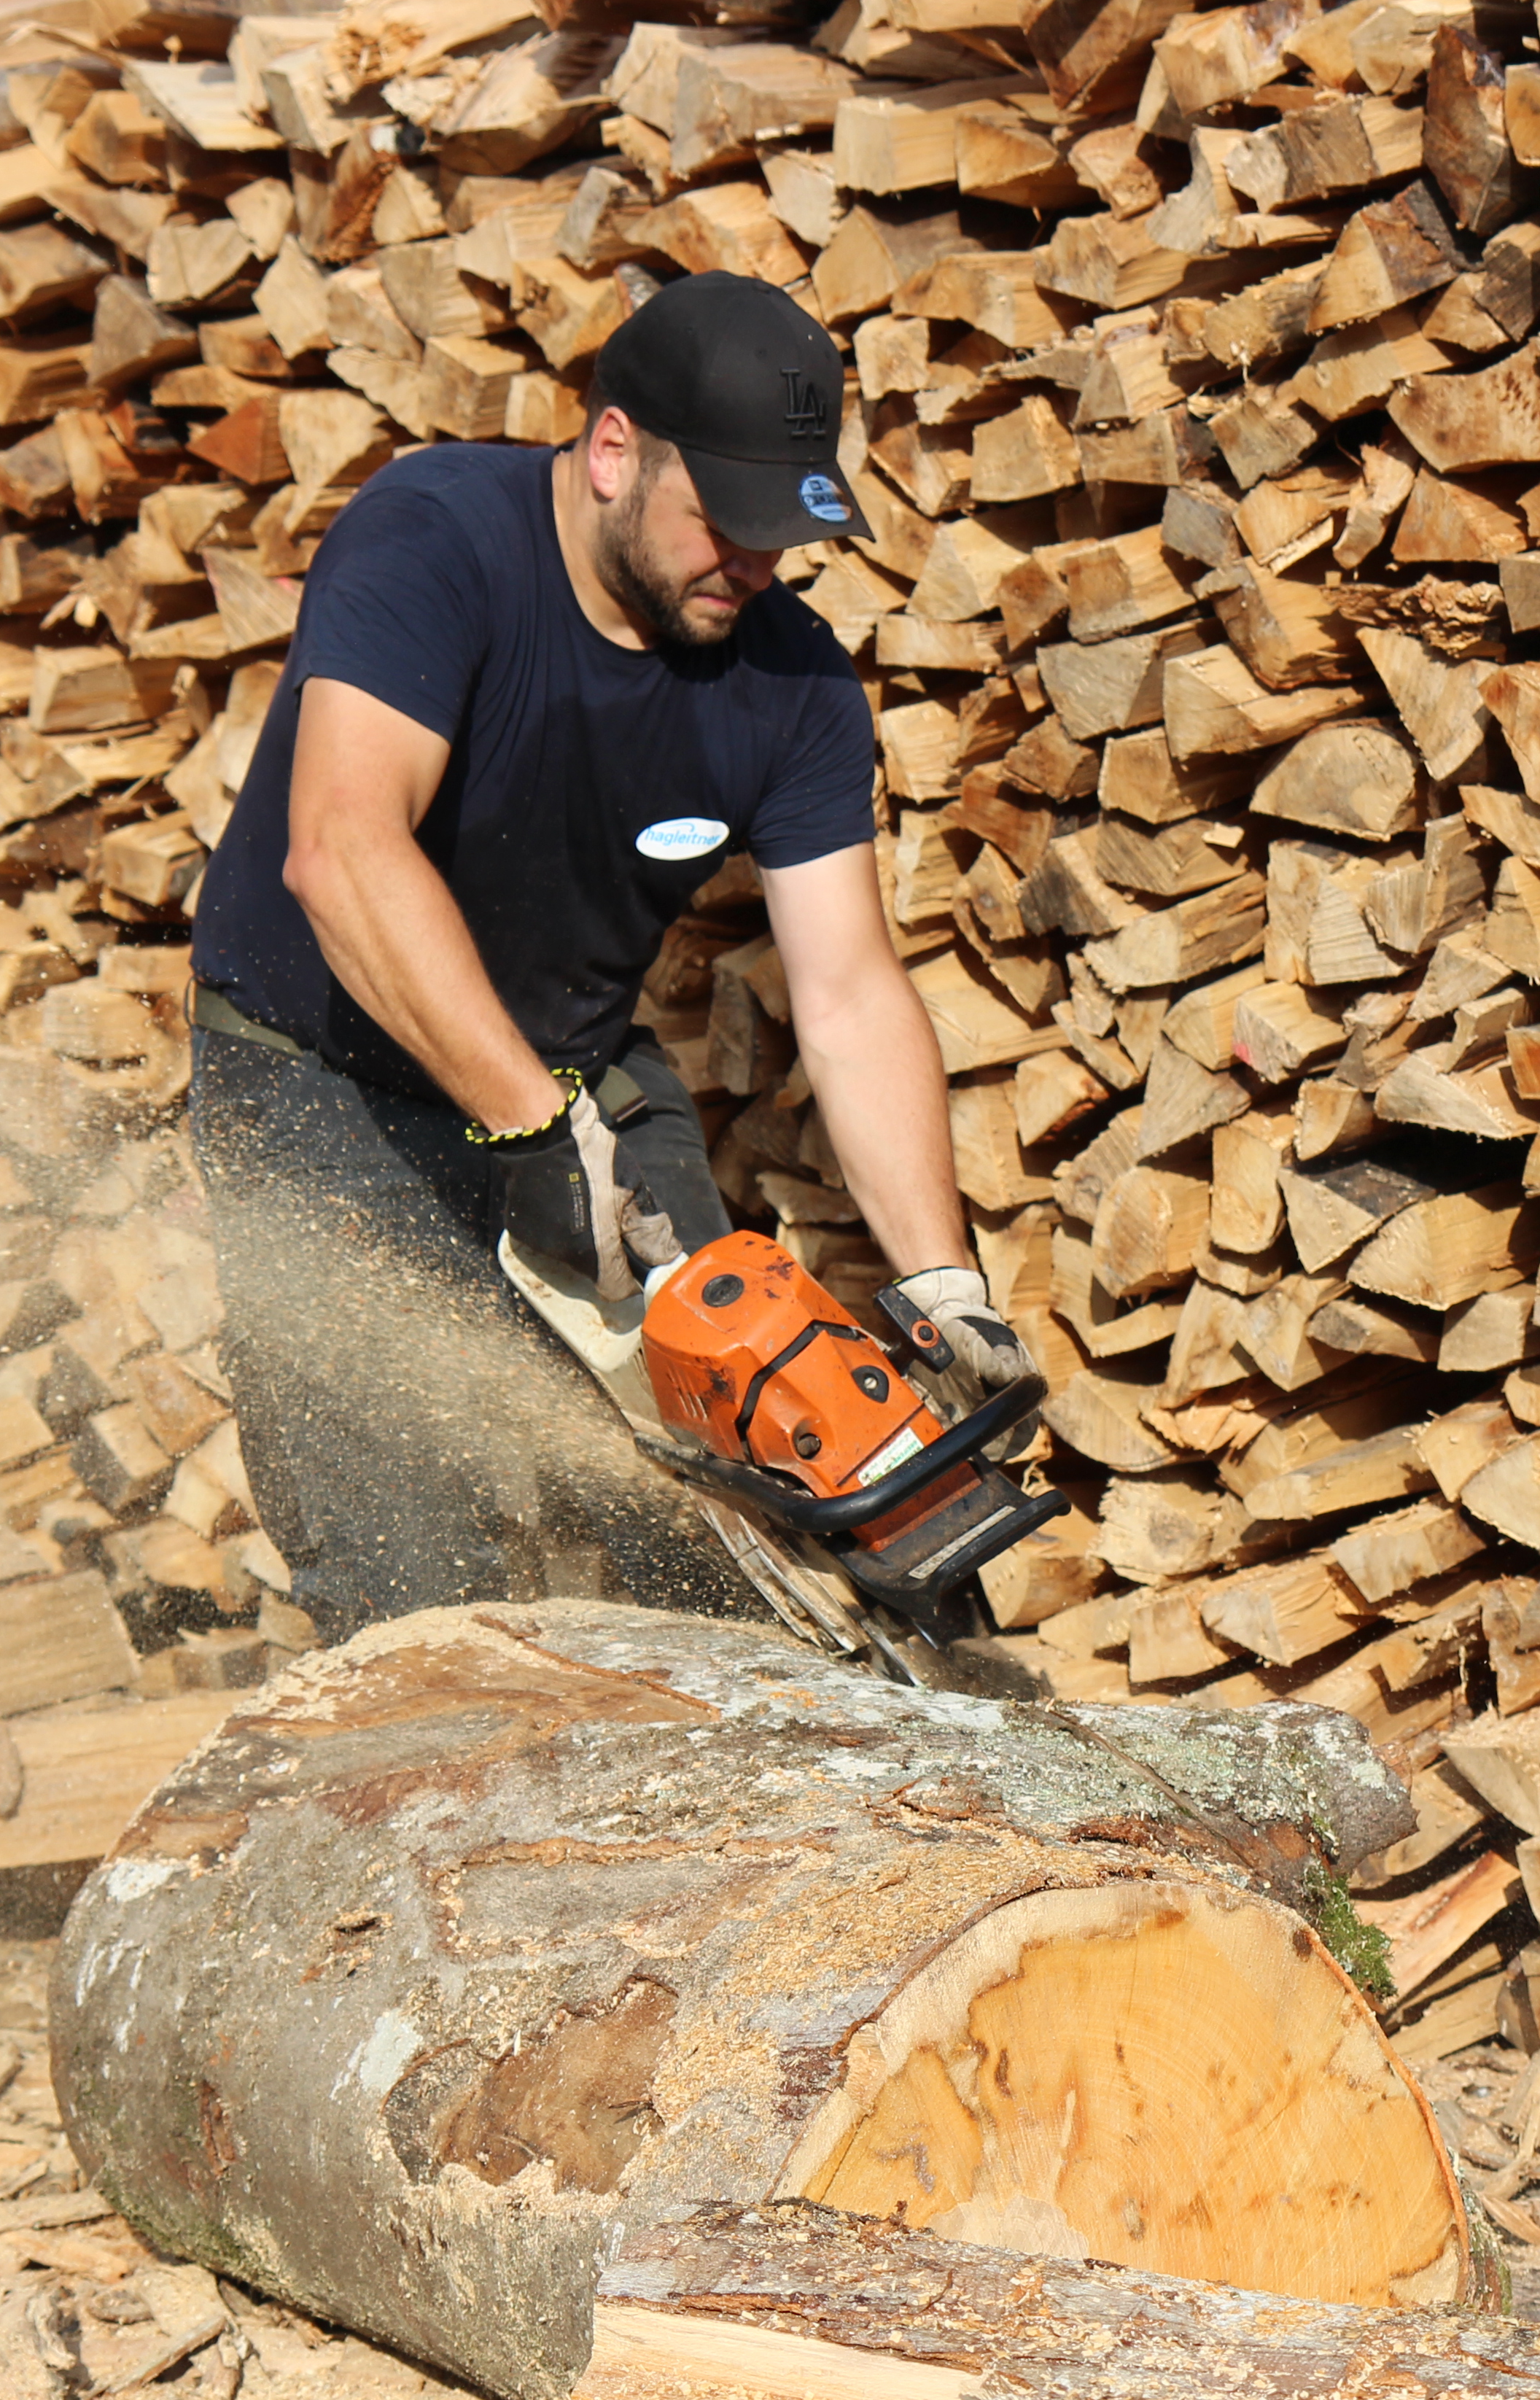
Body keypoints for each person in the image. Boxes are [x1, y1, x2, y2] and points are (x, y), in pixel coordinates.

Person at [184, 271, 1031, 1648]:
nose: (753, 567)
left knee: (776, 1475)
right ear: (616, 451)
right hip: (326, 1083)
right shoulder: (436, 540)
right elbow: (341, 851)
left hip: (574, 1079)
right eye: (726, 523)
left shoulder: (795, 683)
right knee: (414, 1568)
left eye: (781, 535)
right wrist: (529, 1124)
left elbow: (847, 991)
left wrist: (941, 1279)